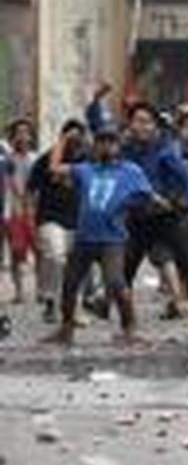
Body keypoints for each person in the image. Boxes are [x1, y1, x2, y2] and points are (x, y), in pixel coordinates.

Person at [43, 125, 159, 348]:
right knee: (69, 283)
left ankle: (130, 329)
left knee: (116, 282)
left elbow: (149, 195)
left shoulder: (130, 171)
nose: (106, 145)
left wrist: (160, 203)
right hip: (85, 238)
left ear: (118, 146)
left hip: (112, 239)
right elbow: (55, 168)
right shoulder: (86, 169)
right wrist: (63, 140)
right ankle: (66, 330)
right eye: (102, 141)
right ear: (95, 146)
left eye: (111, 141)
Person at [122, 102, 188, 330]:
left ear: (154, 126)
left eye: (146, 122)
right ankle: (128, 321)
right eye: (137, 121)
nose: (141, 126)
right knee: (125, 269)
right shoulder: (125, 150)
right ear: (130, 124)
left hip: (167, 216)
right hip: (138, 218)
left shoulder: (165, 150)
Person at [29, 120, 86, 325]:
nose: (74, 141)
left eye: (78, 137)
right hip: (49, 217)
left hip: (77, 219)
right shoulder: (46, 159)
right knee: (55, 255)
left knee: (75, 265)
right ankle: (52, 300)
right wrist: (29, 217)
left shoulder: (86, 161)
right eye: (70, 137)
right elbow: (32, 188)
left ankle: (71, 309)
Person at [5, 118, 37, 303]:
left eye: (26, 132)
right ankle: (19, 292)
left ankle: (42, 288)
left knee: (39, 250)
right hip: (15, 211)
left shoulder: (35, 158)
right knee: (17, 253)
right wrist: (21, 202)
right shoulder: (9, 159)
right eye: (19, 133)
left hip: (34, 210)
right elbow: (10, 184)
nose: (22, 136)